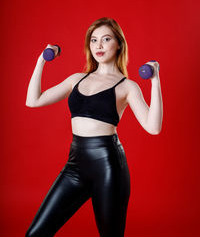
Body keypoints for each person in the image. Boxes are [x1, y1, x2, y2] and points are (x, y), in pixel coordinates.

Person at [25, 17, 163, 237]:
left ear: (118, 44)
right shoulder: (76, 79)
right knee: (35, 234)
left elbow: (153, 127)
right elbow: (33, 100)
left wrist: (155, 81)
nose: (98, 45)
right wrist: (42, 59)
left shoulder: (127, 86)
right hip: (75, 165)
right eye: (94, 40)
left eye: (106, 39)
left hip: (108, 166)